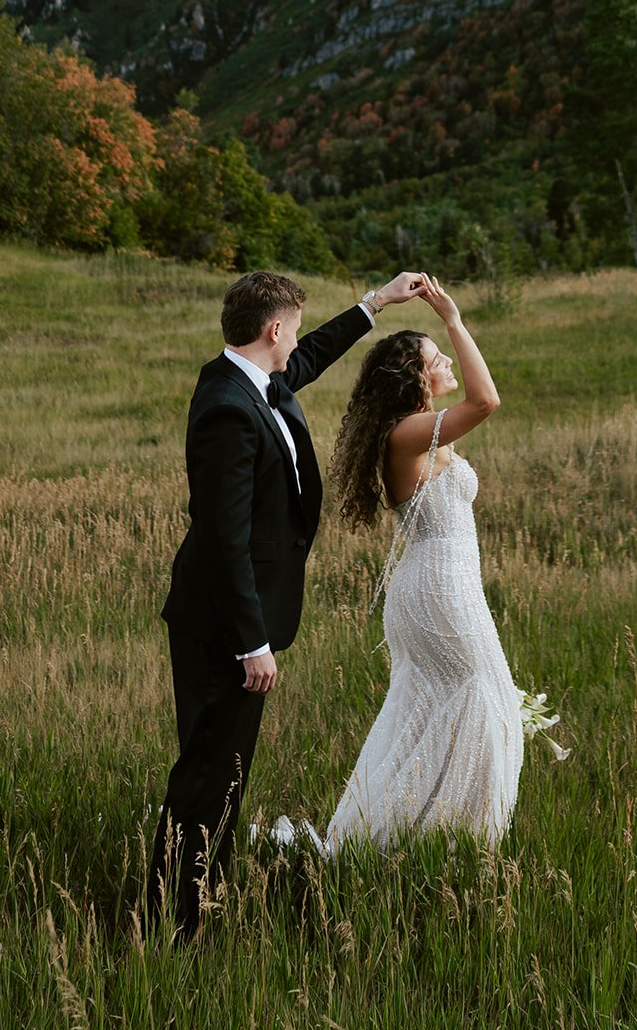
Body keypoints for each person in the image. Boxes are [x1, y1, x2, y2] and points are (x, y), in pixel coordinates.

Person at [146, 267, 423, 937]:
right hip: (224, 627)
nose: (296, 342)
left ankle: (201, 887)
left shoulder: (250, 379)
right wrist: (251, 641)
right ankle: (170, 919)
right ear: (272, 329)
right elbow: (222, 539)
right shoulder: (225, 410)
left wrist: (374, 305)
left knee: (225, 769)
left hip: (239, 618)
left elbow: (307, 360)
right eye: (292, 328)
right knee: (207, 772)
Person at [325, 273, 523, 853]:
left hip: (440, 583)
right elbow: (486, 400)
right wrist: (454, 322)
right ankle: (444, 840)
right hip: (439, 588)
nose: (450, 364)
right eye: (439, 359)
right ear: (416, 376)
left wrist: (447, 331)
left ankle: (419, 836)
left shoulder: (421, 430)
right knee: (484, 698)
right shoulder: (409, 433)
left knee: (448, 708)